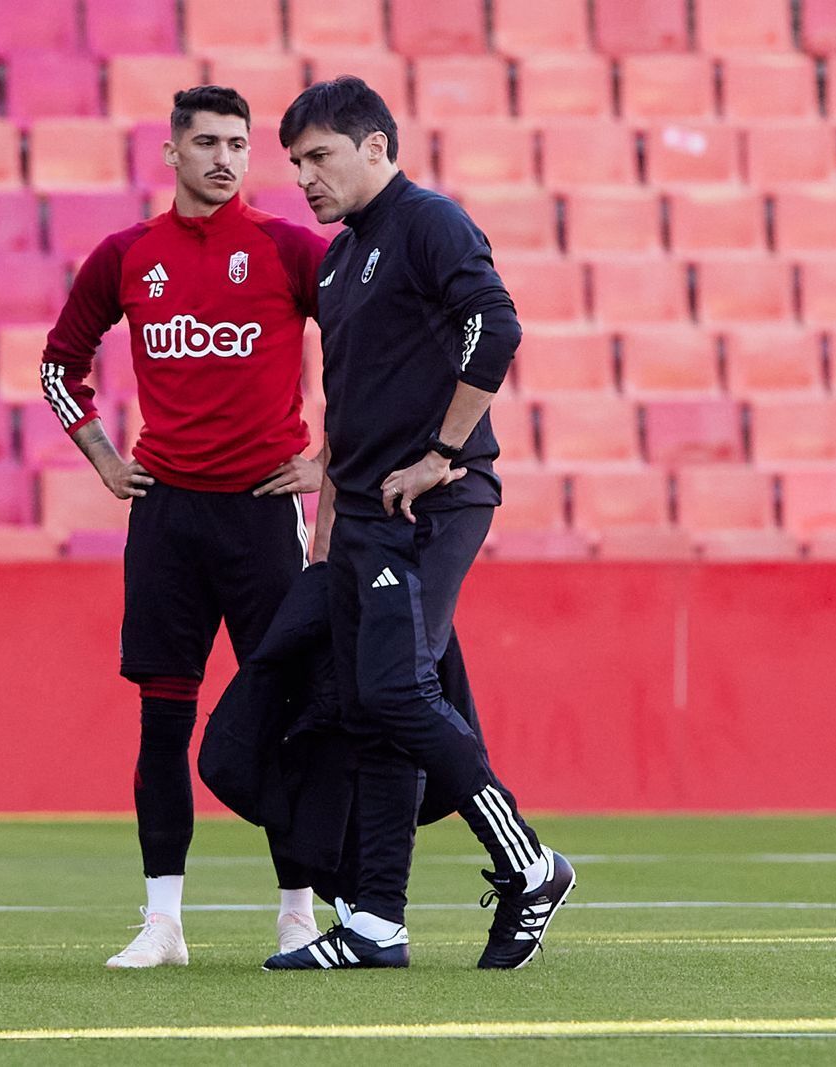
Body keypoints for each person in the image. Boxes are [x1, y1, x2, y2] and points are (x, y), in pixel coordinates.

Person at [264, 77, 575, 971]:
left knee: (397, 691)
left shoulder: (429, 222)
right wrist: (325, 515)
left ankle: (530, 864)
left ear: (375, 145)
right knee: (370, 706)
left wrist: (443, 449)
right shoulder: (337, 259)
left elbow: (498, 328)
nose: (305, 179)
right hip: (362, 513)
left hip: (430, 502)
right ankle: (375, 922)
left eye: (319, 156)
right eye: (295, 164)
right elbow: (351, 401)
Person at [40, 86, 330, 968]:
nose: (224, 158)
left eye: (238, 144)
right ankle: (163, 921)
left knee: (288, 713)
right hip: (166, 515)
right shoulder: (129, 255)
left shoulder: (288, 249)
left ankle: (298, 911)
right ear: (170, 153)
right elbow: (61, 363)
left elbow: (368, 349)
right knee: (163, 719)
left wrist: (330, 461)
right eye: (205, 142)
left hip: (262, 513)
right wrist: (99, 453)